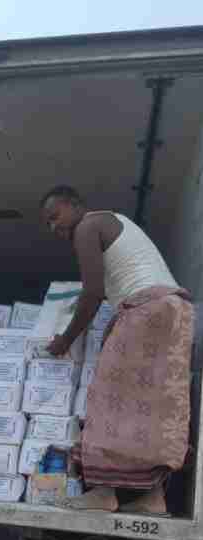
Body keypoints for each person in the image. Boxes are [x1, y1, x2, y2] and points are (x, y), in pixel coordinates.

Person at [40, 185, 194, 514]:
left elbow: (93, 292)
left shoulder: (87, 226)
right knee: (153, 407)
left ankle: (103, 492)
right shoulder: (115, 221)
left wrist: (65, 339)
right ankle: (153, 498)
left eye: (55, 216)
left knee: (108, 397)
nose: (53, 227)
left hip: (146, 310)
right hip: (176, 311)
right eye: (48, 224)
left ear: (75, 205)